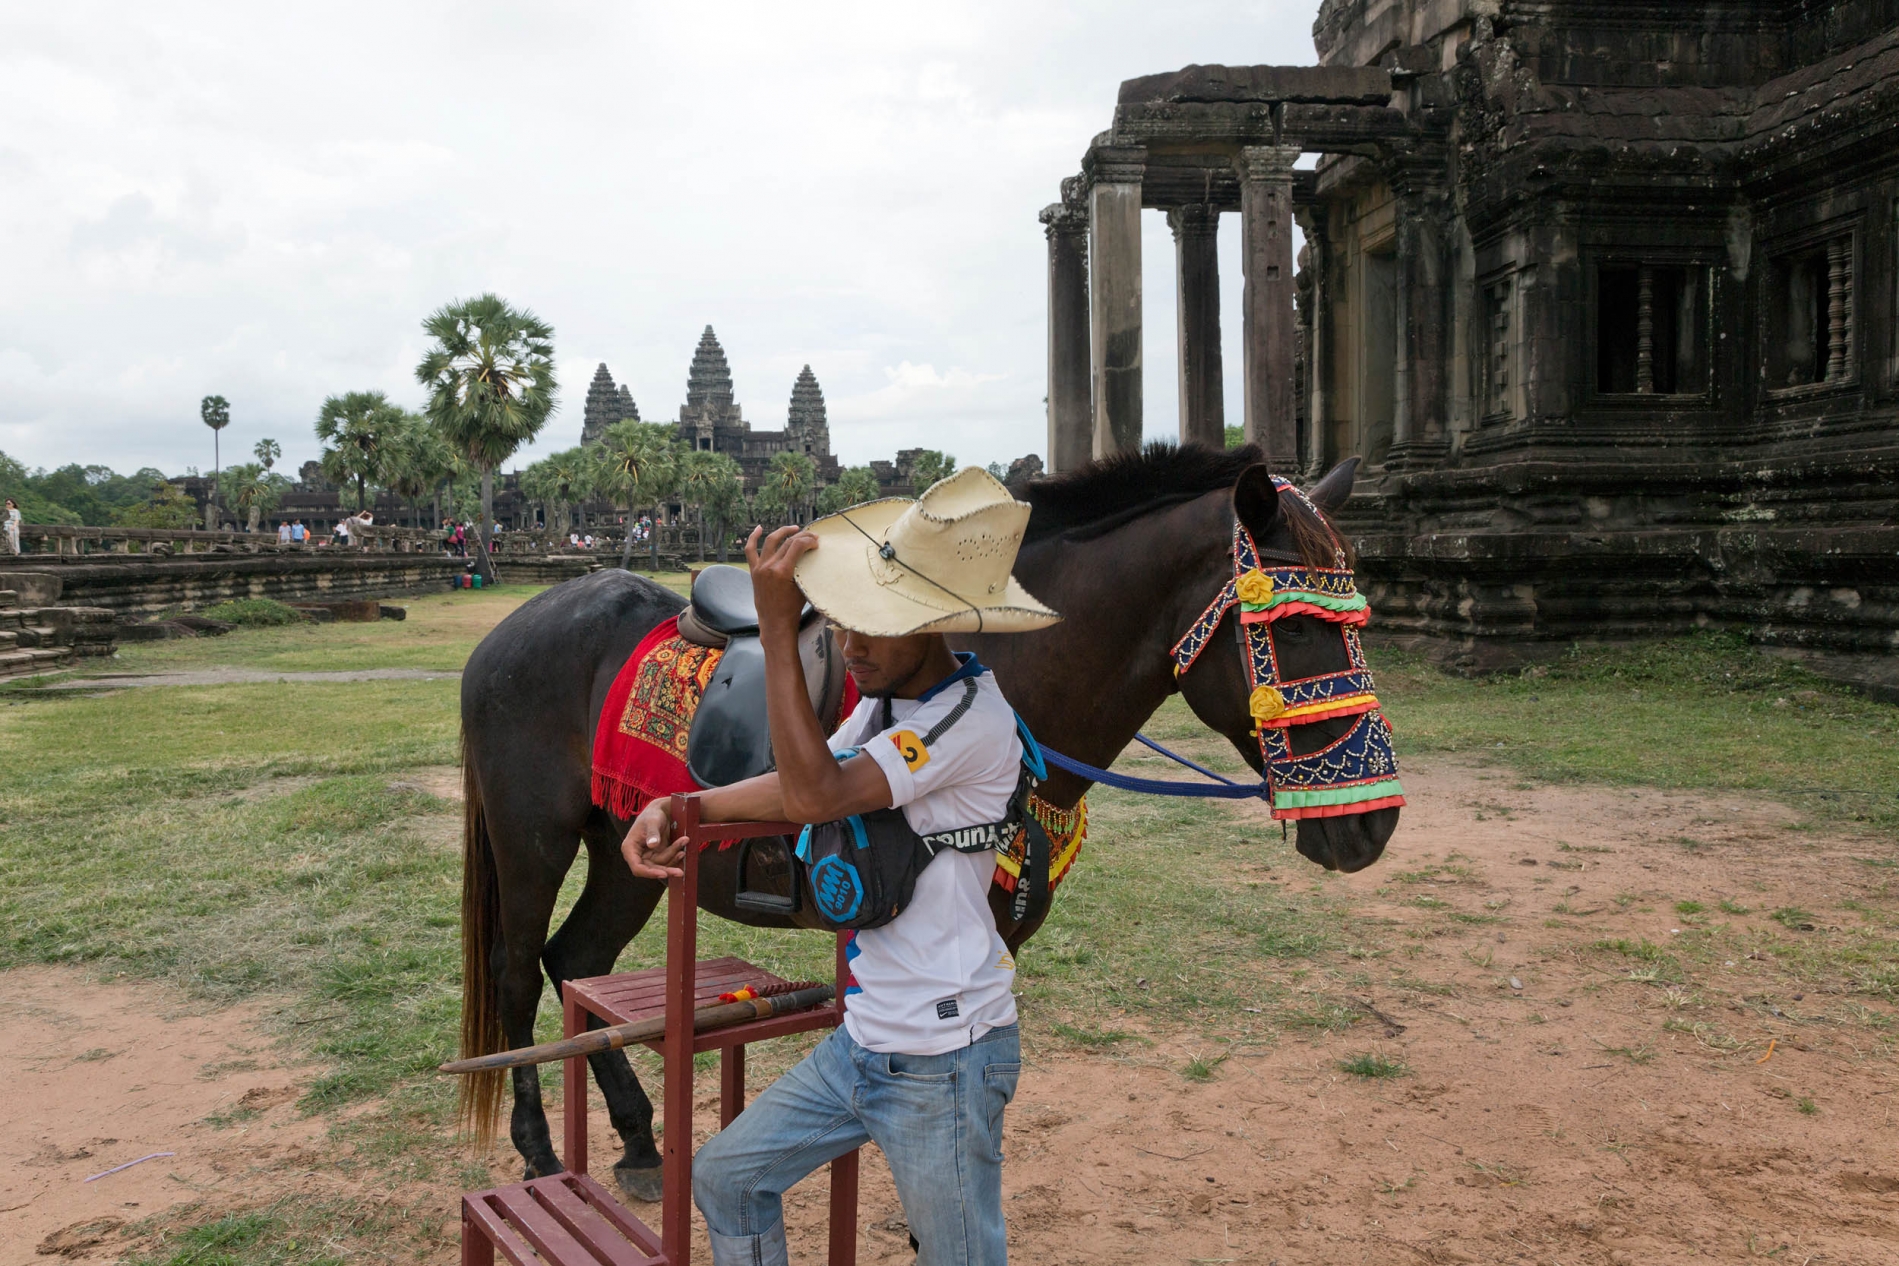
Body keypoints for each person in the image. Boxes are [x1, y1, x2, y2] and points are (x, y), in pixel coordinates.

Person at [621, 468, 1059, 1266]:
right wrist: (685, 806)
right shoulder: (885, 704)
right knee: (727, 1177)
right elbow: (808, 775)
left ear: (931, 625)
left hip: (944, 1058)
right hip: (865, 1043)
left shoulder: (968, 720)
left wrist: (779, 634)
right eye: (841, 625)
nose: (849, 647)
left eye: (871, 629)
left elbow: (819, 792)